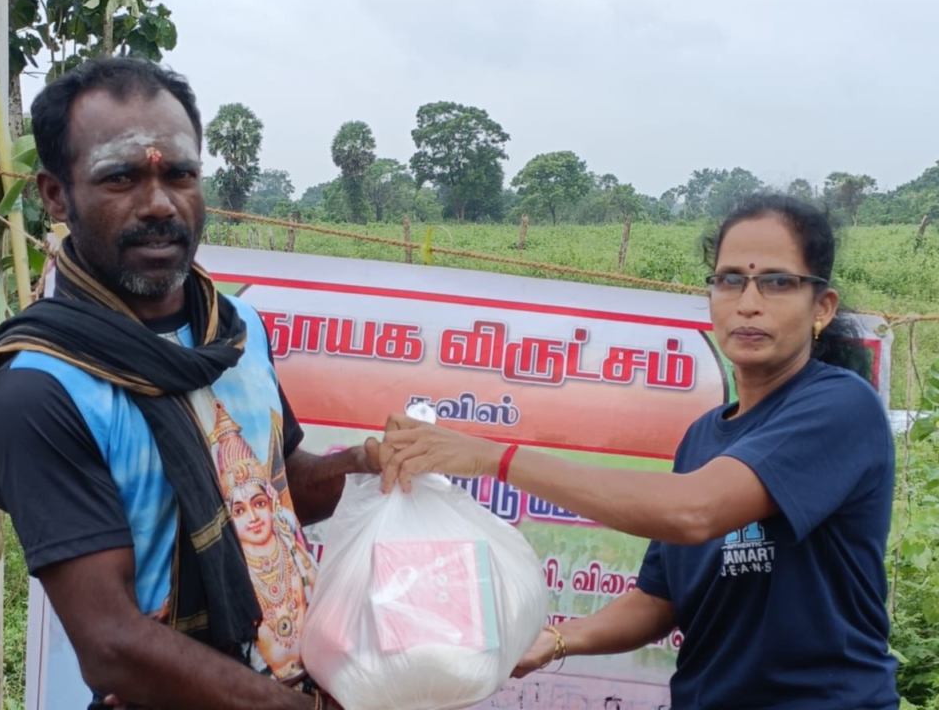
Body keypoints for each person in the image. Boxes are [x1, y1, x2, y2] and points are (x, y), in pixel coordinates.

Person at [376, 195, 898, 709]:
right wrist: (553, 641)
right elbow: (658, 600)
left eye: (778, 282)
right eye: (730, 280)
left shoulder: (841, 407)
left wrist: (495, 459)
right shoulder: (702, 437)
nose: (748, 302)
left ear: (822, 307)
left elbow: (696, 510)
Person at [0, 57, 378, 710]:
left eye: (180, 175)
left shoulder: (235, 329)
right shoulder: (43, 387)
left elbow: (271, 490)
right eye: (121, 177)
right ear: (55, 195)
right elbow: (111, 641)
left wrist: (366, 465)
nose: (159, 204)